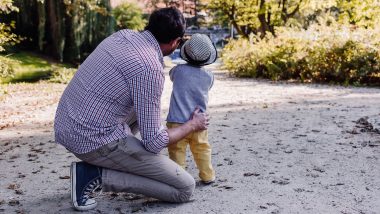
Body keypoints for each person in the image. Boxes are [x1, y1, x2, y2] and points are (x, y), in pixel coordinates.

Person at [54, 7, 209, 211]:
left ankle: (117, 160)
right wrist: (192, 125)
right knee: (184, 188)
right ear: (175, 42)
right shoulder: (150, 68)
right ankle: (94, 176)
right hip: (92, 139)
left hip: (68, 124)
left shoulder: (122, 35)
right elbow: (154, 143)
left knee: (143, 107)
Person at [166, 33, 217, 184]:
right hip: (200, 122)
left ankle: (179, 178)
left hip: (176, 121)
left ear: (186, 52)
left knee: (176, 151)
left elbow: (171, 76)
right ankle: (207, 175)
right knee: (202, 149)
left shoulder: (178, 71)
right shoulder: (209, 76)